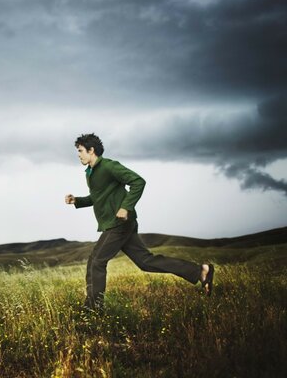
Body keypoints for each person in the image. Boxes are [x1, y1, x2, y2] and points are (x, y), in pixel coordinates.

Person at [65, 133, 214, 312]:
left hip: (119, 223)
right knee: (145, 261)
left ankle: (93, 309)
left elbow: (138, 181)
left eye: (81, 151)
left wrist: (126, 207)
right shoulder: (91, 171)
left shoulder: (109, 166)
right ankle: (200, 271)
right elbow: (98, 197)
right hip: (119, 224)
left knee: (96, 261)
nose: (78, 155)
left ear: (91, 150)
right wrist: (77, 201)